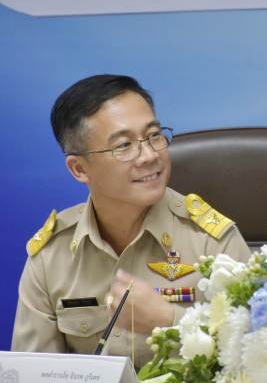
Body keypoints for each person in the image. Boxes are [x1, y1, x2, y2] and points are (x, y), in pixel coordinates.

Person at [11, 75, 251, 367]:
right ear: (79, 169)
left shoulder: (212, 241)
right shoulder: (51, 256)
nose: (149, 155)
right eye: (123, 145)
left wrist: (168, 322)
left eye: (154, 136)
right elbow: (31, 372)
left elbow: (255, 355)